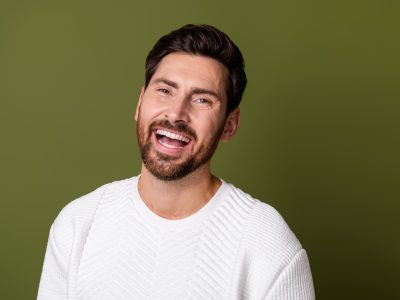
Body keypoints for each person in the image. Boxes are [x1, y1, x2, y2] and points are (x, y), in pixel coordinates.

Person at [38, 24, 315, 300]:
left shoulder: (266, 243)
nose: (176, 113)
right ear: (139, 103)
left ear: (230, 125)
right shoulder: (79, 223)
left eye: (202, 99)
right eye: (165, 91)